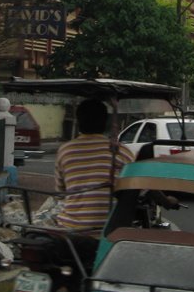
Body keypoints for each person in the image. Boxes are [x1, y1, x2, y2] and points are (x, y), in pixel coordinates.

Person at [54, 98, 134, 231]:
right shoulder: (122, 152)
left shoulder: (65, 151)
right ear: (106, 123)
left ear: (78, 122)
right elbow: (136, 188)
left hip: (70, 229)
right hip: (109, 231)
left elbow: (60, 193)